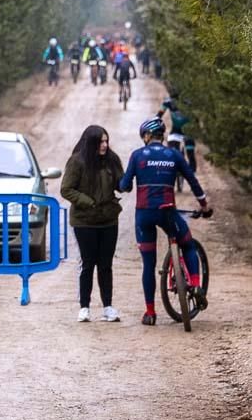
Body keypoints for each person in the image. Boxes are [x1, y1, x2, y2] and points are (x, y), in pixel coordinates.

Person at [117, 117, 212, 326]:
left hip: (144, 215)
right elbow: (193, 181)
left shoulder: (137, 155)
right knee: (186, 242)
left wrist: (119, 183)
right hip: (167, 212)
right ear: (162, 135)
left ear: (147, 136)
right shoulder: (174, 155)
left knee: (148, 265)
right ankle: (195, 284)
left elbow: (124, 185)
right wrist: (204, 206)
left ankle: (150, 313)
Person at [60, 125, 124, 322]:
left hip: (108, 219)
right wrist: (88, 202)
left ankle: (108, 306)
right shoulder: (77, 162)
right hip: (84, 221)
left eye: (106, 141)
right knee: (88, 263)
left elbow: (121, 184)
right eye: (100, 142)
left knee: (106, 264)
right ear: (91, 143)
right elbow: (66, 189)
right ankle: (84, 307)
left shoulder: (112, 160)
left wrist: (128, 179)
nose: (104, 145)